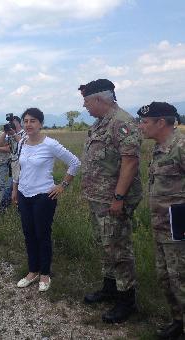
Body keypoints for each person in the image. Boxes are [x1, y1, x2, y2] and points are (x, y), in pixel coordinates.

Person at [79, 79, 142, 324]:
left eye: (86, 102)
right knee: (106, 247)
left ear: (99, 99)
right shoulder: (100, 124)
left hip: (113, 200)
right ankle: (110, 288)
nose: (84, 106)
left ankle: (127, 301)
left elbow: (130, 162)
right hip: (98, 198)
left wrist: (118, 198)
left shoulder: (121, 123)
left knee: (119, 249)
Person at [14, 108, 80, 292]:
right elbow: (18, 168)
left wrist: (62, 186)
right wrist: (14, 190)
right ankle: (32, 271)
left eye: (33, 121)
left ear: (40, 124)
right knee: (28, 234)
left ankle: (45, 274)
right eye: (25, 121)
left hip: (44, 196)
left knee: (42, 235)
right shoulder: (22, 143)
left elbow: (75, 162)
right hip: (23, 194)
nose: (28, 124)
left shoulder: (50, 144)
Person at [137, 102, 185, 339]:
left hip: (179, 229)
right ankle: (178, 321)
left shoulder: (181, 147)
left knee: (182, 280)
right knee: (166, 278)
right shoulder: (159, 148)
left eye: (145, 122)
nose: (140, 126)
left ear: (161, 122)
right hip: (161, 227)